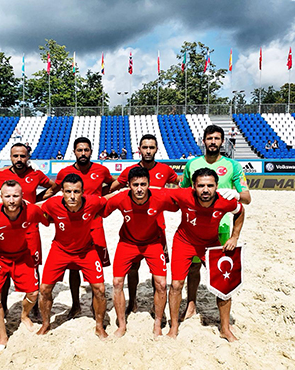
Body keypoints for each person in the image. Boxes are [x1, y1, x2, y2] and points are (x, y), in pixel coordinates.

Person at [180, 124, 251, 320]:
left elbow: (247, 197)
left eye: (217, 139)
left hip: (221, 227)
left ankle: (223, 316)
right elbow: (183, 192)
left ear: (222, 141)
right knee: (193, 268)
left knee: (220, 271)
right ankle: (191, 305)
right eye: (209, 138)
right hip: (194, 228)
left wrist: (236, 194)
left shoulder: (233, 166)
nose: (213, 142)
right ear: (203, 141)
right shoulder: (191, 165)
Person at [0, 180, 49, 354]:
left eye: (15, 196)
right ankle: (3, 336)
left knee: (33, 293)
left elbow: (48, 220)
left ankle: (24, 315)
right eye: (7, 196)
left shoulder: (32, 210)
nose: (12, 200)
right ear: (1, 197)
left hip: (22, 256)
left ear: (23, 197)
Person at [166, 168, 245, 342]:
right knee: (176, 284)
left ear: (217, 186)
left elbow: (240, 211)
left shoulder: (224, 202)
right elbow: (157, 194)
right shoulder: (183, 195)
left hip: (211, 244)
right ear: (193, 186)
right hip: (184, 242)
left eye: (210, 185)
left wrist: (234, 236)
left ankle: (225, 328)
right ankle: (173, 327)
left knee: (224, 285)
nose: (206, 190)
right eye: (201, 185)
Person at [43, 137, 113, 318]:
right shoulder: (65, 172)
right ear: (74, 152)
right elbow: (54, 191)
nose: (83, 153)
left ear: (91, 151)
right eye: (80, 150)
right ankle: (75, 304)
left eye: (86, 150)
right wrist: (33, 200)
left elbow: (111, 185)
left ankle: (93, 306)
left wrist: (98, 197)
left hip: (94, 224)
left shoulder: (101, 169)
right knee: (73, 266)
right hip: (72, 223)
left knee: (94, 268)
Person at [103, 167, 178, 337]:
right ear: (128, 185)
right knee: (117, 283)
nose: (139, 188)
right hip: (128, 243)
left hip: (153, 243)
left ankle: (158, 323)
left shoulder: (160, 197)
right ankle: (121, 325)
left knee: (160, 284)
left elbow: (181, 201)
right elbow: (101, 209)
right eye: (135, 184)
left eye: (143, 184)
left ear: (149, 185)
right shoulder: (120, 198)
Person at [0, 143, 55, 314]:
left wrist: (35, 200)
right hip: (6, 227)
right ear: (10, 157)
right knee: (4, 266)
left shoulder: (35, 174)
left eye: (22, 156)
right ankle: (4, 304)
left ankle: (34, 307)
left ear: (28, 157)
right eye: (15, 156)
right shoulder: (2, 175)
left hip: (30, 227)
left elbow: (54, 187)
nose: (19, 159)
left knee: (33, 264)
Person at [110, 134, 178, 317]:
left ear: (156, 149)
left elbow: (180, 186)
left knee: (159, 275)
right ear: (139, 149)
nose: (148, 151)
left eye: (151, 147)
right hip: (133, 228)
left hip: (158, 229)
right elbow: (112, 188)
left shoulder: (165, 170)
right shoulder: (130, 171)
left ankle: (158, 310)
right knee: (133, 268)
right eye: (145, 147)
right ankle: (132, 301)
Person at [38, 174, 109, 339]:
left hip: (86, 250)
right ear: (61, 191)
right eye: (68, 191)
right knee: (45, 289)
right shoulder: (52, 204)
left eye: (76, 192)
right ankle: (46, 324)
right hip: (60, 250)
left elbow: (108, 202)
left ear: (82, 192)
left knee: (100, 289)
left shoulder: (93, 202)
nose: (72, 196)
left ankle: (99, 326)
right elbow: (37, 212)